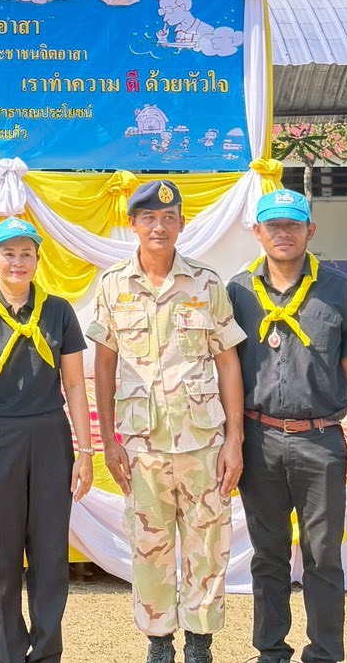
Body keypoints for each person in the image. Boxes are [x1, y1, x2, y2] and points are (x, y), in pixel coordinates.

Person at [87, 180, 246, 663]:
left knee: (208, 544)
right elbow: (104, 365)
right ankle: (159, 641)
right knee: (149, 546)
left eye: (169, 218)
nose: (159, 226)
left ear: (181, 223)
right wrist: (109, 439)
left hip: (203, 440)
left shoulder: (207, 283)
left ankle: (199, 642)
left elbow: (228, 362)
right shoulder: (113, 284)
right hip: (142, 444)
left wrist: (234, 439)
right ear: (133, 224)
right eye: (149, 218)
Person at [230, 189, 347, 663]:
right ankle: (270, 651)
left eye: (293, 225)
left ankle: (325, 653)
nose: (283, 233)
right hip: (258, 440)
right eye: (273, 225)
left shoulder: (340, 291)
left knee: (324, 555)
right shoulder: (236, 293)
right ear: (257, 232)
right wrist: (229, 439)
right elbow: (224, 370)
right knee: (267, 554)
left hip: (320, 441)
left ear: (310, 230)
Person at [0, 217, 95, 663]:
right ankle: (10, 652)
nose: (18, 262)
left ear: (37, 259)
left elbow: (75, 385)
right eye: (9, 253)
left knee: (51, 552)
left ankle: (47, 652)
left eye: (26, 253)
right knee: (2, 552)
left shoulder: (59, 311)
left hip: (50, 435)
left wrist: (85, 451)